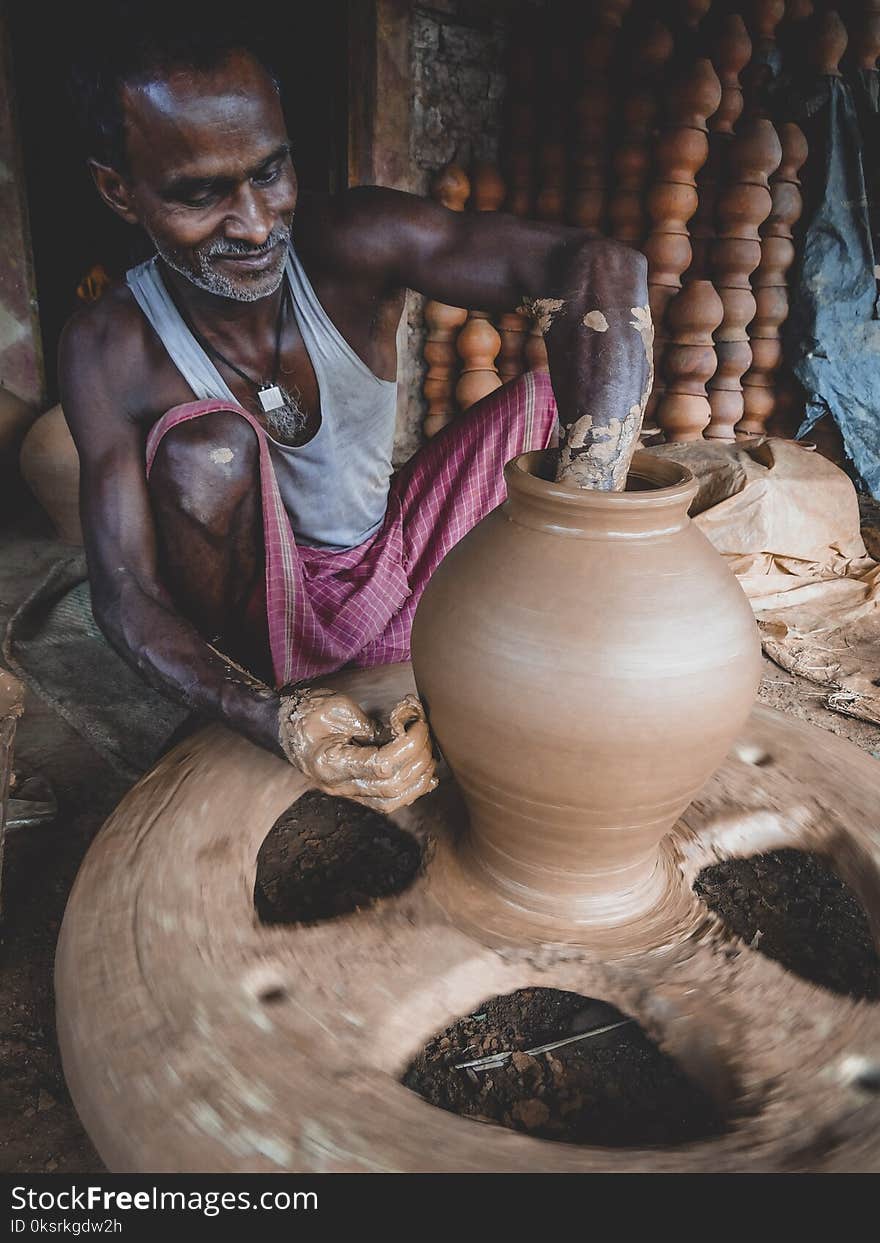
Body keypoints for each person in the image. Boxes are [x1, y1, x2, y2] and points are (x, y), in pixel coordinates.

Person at [60, 16, 648, 808]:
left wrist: (593, 508)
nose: (257, 224)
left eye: (270, 173)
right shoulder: (108, 346)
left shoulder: (352, 243)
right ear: (118, 191)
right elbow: (124, 589)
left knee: (551, 401)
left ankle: (432, 642)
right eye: (200, 195)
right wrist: (270, 718)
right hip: (270, 629)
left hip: (395, 560)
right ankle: (302, 692)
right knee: (212, 451)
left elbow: (598, 266)